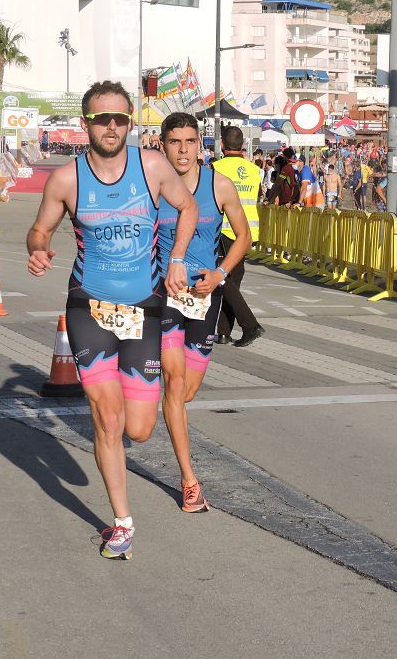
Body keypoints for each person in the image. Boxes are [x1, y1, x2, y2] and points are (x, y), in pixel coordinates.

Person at [26, 80, 197, 560]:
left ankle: (115, 435)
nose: (112, 126)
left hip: (145, 308)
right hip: (89, 307)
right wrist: (38, 250)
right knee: (108, 415)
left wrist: (178, 257)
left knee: (139, 428)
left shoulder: (152, 167)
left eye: (120, 118)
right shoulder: (67, 180)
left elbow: (188, 206)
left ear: (130, 122)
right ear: (86, 125)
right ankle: (121, 521)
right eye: (103, 119)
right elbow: (39, 229)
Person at [157, 113, 250, 513]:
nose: (182, 149)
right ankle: (189, 480)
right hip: (160, 295)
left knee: (187, 391)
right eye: (174, 141)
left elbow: (243, 236)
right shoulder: (151, 187)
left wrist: (220, 274)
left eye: (189, 141)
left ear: (201, 145)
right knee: (174, 385)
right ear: (162, 144)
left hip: (203, 297)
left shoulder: (220, 185)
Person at [212, 126, 265, 347]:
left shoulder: (216, 167)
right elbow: (259, 195)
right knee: (231, 281)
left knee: (222, 278)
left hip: (224, 228)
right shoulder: (254, 170)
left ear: (222, 145)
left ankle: (250, 325)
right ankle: (224, 331)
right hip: (247, 230)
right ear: (242, 145)